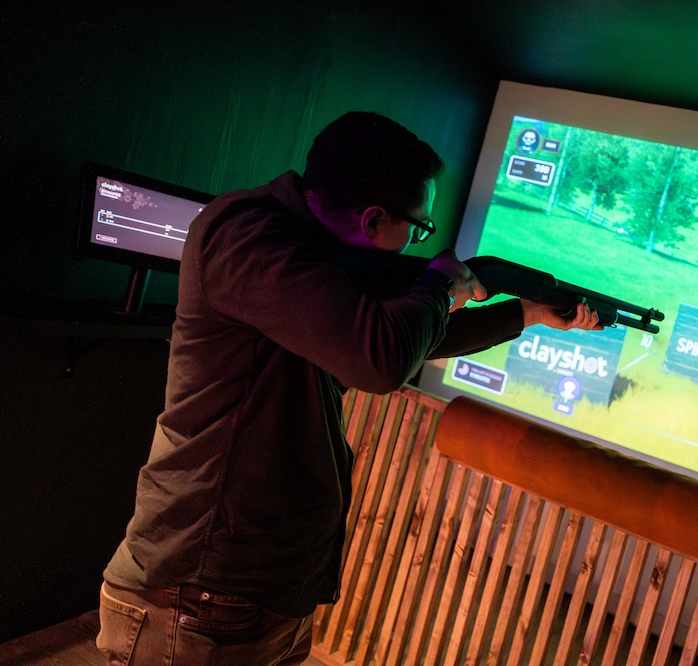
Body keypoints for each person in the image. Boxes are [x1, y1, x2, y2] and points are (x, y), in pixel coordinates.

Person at [95, 111, 600, 665]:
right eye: (419, 228)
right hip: (200, 588)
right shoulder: (248, 235)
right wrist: (438, 284)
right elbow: (379, 359)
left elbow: (411, 338)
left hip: (264, 591)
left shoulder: (312, 258)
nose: (418, 241)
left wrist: (525, 313)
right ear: (372, 219)